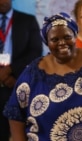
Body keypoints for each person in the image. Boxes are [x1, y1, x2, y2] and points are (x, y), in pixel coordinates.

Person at [3, 12, 82, 141]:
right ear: (47, 42)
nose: (62, 43)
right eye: (55, 39)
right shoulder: (32, 75)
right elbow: (16, 115)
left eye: (67, 37)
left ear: (75, 36)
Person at [0, 0, 43, 140]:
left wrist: (11, 70)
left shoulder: (27, 20)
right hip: (6, 81)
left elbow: (35, 52)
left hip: (17, 84)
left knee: (19, 133)